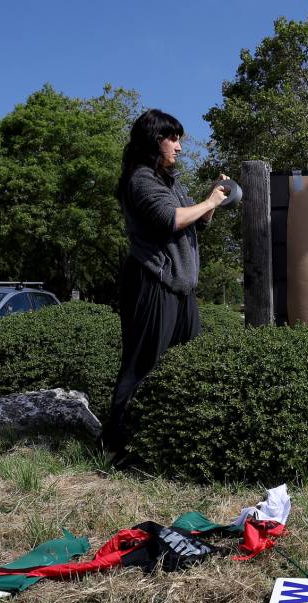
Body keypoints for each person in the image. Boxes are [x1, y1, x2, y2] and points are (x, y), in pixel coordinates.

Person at [101, 109, 230, 463]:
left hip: (180, 286)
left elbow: (196, 222)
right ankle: (115, 447)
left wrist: (212, 199)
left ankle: (168, 441)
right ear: (154, 140)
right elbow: (169, 219)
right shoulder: (140, 179)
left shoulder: (170, 181)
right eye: (173, 139)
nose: (179, 147)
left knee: (190, 362)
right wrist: (208, 202)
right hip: (151, 281)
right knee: (142, 364)